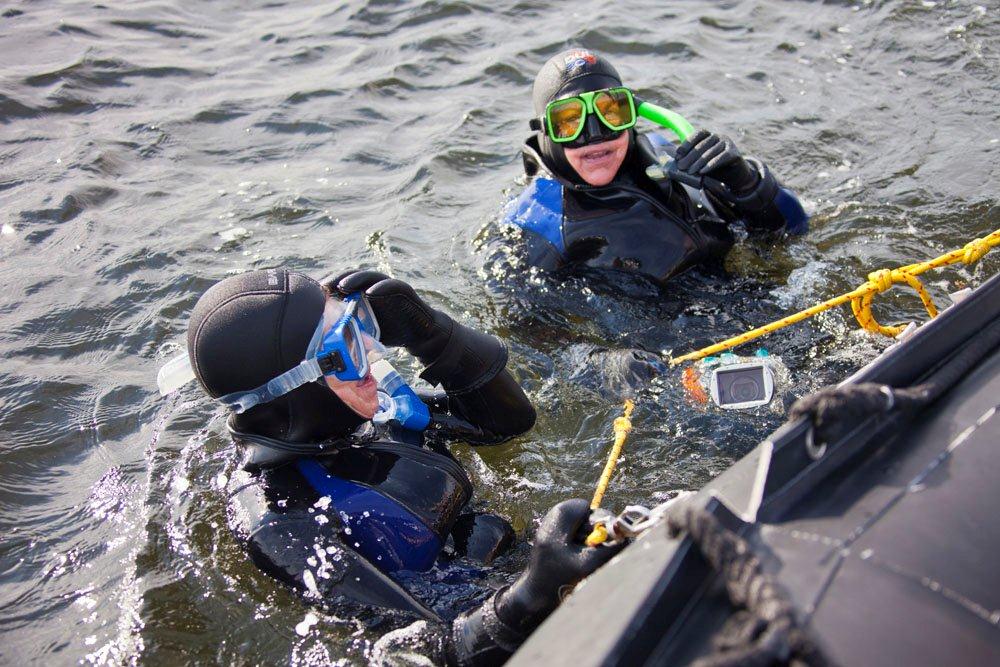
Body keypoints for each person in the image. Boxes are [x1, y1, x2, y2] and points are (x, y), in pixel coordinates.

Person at [184, 267, 621, 665]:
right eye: (349, 345)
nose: (372, 352)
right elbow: (413, 649)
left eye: (359, 324)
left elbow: (507, 424)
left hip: (505, 563)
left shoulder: (367, 413)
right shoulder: (283, 525)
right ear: (294, 389)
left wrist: (432, 335)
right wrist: (533, 594)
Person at [502, 48, 809, 285]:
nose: (594, 135)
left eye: (611, 112)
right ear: (545, 130)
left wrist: (747, 183)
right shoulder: (534, 223)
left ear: (632, 110)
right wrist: (601, 359)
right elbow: (526, 332)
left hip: (749, 288)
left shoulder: (665, 152)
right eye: (569, 121)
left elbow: (795, 228)